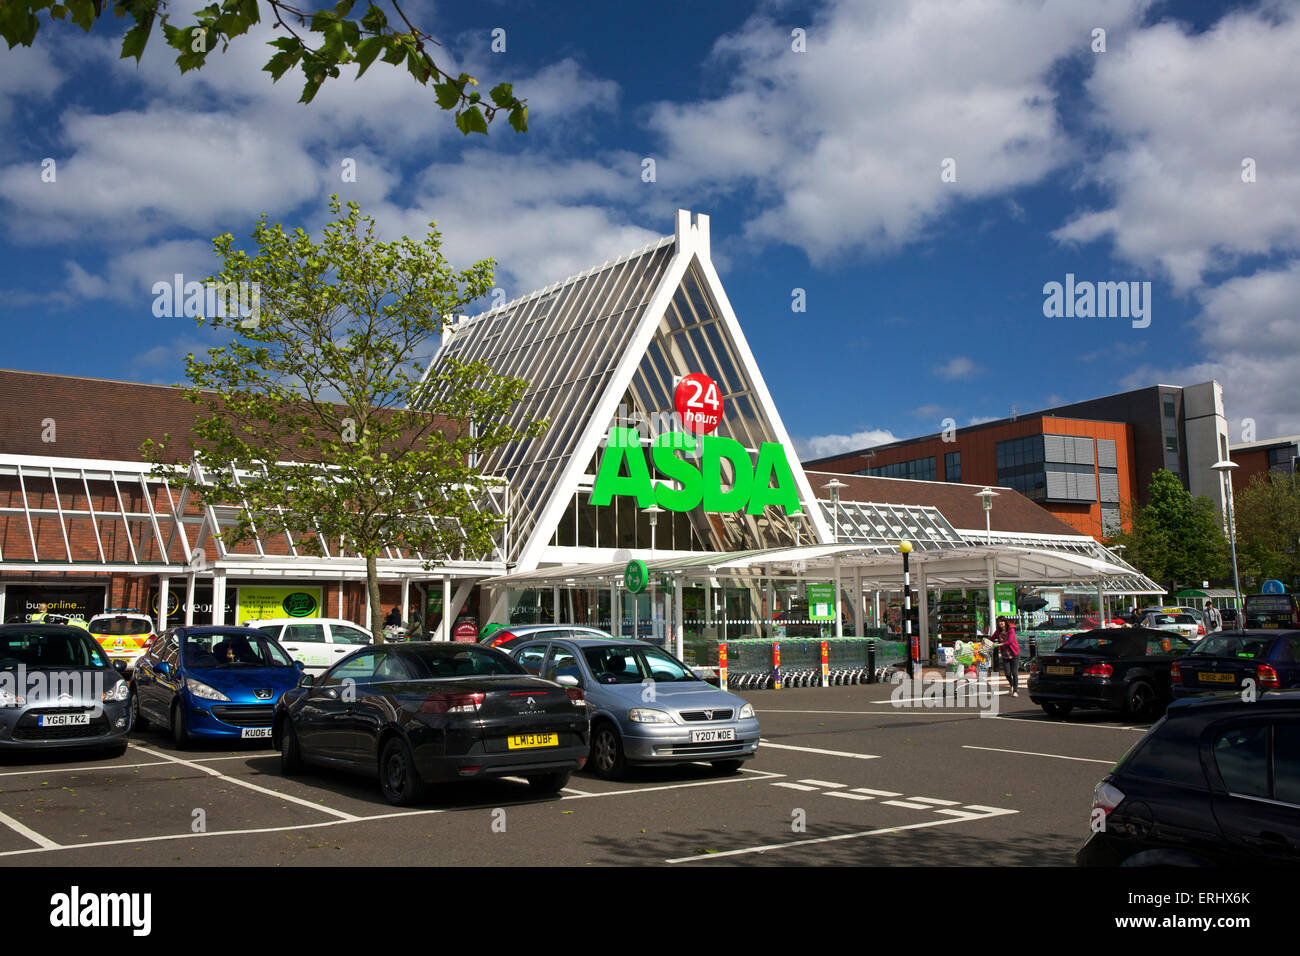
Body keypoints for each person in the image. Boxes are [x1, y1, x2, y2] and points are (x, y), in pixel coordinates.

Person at [991, 616, 1020, 696]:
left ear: (1005, 622)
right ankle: (1012, 685)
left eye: (1002, 621)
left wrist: (999, 644)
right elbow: (992, 638)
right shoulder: (998, 631)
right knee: (1007, 673)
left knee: (1014, 672)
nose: (1000, 623)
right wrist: (985, 643)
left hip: (1014, 654)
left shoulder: (1011, 630)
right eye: (999, 622)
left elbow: (1009, 641)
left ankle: (1015, 691)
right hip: (1005, 655)